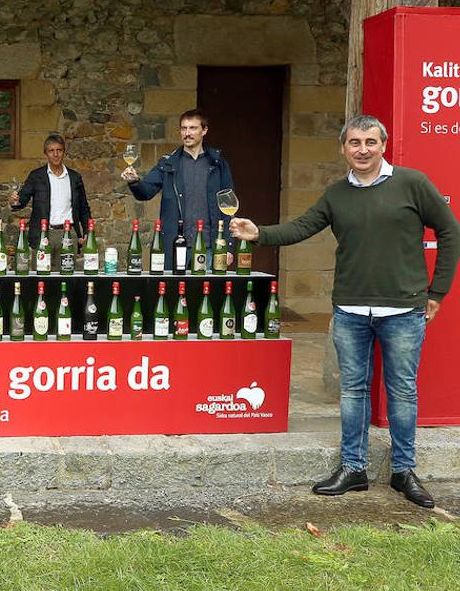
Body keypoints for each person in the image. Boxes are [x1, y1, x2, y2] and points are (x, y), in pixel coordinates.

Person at [229, 115, 459, 508]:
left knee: (402, 392)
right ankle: (353, 468)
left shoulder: (413, 184)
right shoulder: (336, 194)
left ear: (383, 145)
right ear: (344, 149)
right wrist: (259, 233)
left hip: (403, 309)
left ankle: (403, 471)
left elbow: (450, 231)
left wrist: (437, 291)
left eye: (370, 142)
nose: (363, 149)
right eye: (354, 143)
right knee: (353, 392)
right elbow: (302, 227)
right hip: (351, 310)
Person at [121, 109, 234, 270]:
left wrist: (228, 246)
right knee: (174, 294)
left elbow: (228, 207)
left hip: (210, 247)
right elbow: (145, 192)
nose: (187, 133)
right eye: (183, 128)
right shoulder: (168, 164)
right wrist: (134, 182)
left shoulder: (218, 165)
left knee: (206, 294)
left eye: (193, 128)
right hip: (176, 246)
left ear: (204, 130)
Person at [9, 133, 92, 252]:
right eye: (51, 150)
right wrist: (14, 200)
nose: (56, 154)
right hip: (42, 234)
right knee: (41, 270)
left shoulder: (75, 178)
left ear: (64, 152)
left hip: (69, 234)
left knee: (67, 270)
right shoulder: (36, 176)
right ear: (46, 153)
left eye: (59, 150)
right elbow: (21, 200)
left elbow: (84, 208)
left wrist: (87, 231)